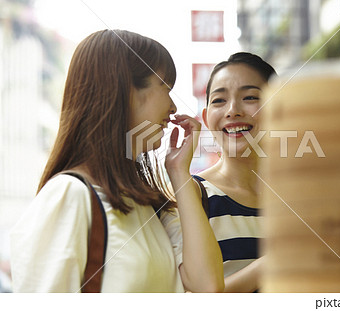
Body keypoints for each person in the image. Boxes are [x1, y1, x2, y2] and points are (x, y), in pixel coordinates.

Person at [9, 29, 224, 293]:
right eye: (166, 88)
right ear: (125, 90)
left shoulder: (150, 205)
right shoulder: (70, 195)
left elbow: (208, 285)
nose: (173, 107)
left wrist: (179, 171)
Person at [193, 52, 277, 292]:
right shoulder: (192, 197)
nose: (233, 111)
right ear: (207, 118)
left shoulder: (303, 198)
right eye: (219, 100)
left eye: (250, 97)